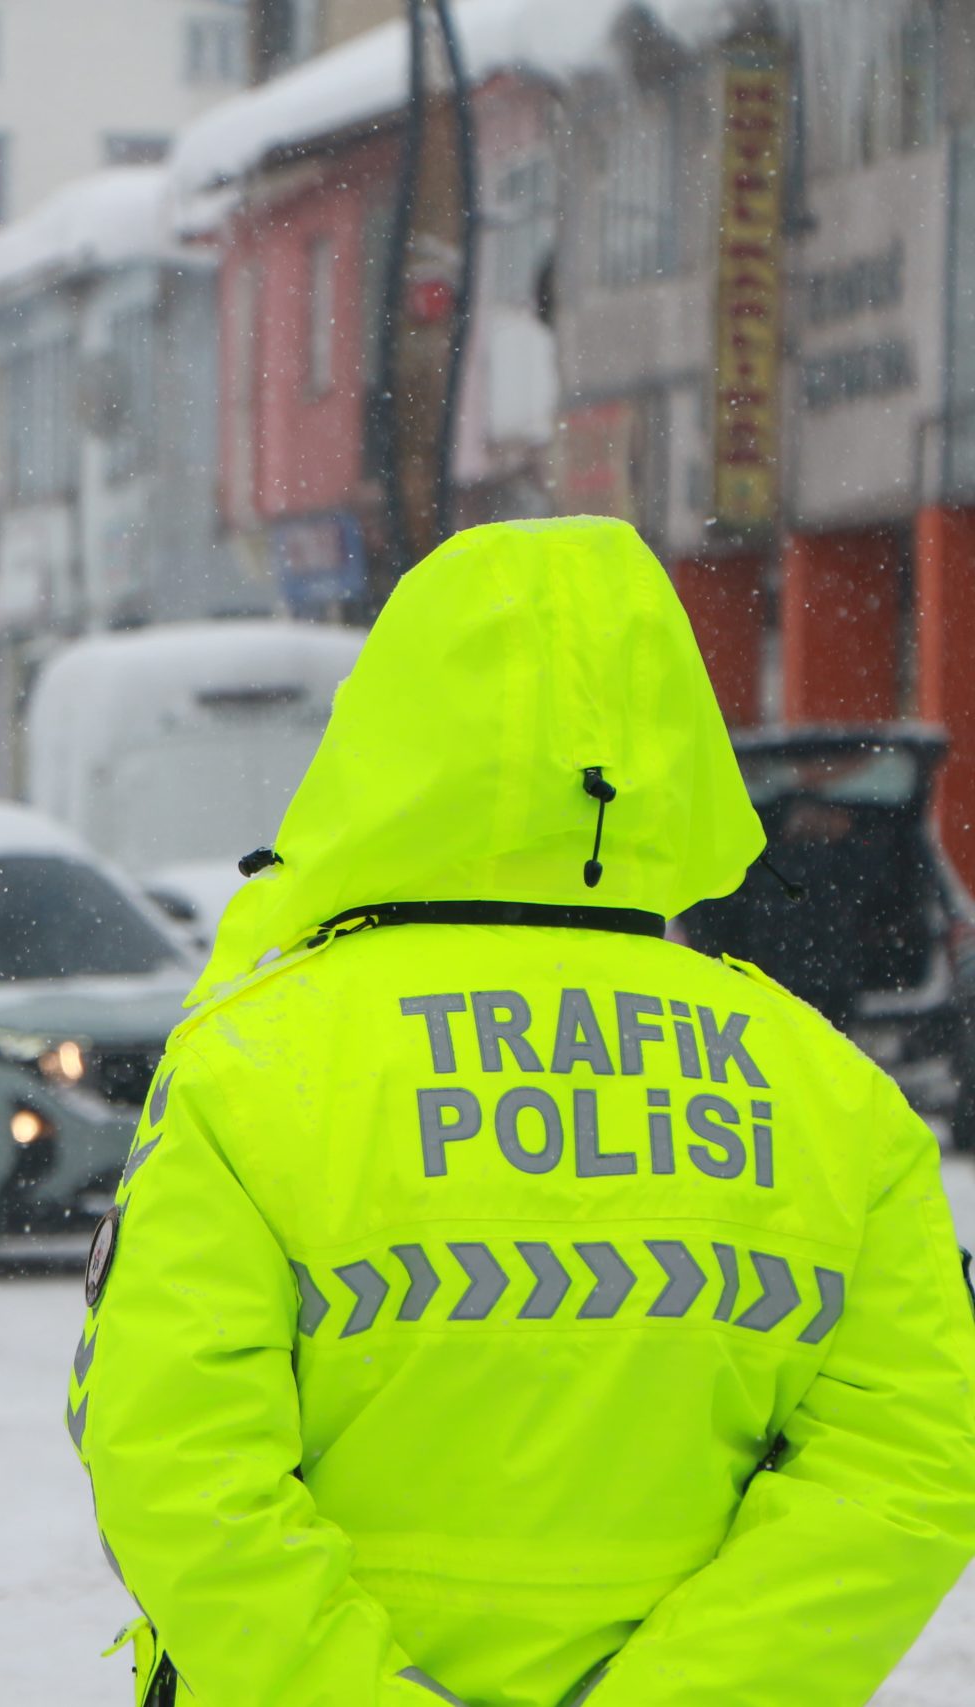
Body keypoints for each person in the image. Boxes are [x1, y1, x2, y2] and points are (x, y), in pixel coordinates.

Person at [65, 518, 975, 1707]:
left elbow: (172, 1460)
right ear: (673, 742)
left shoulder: (254, 1059)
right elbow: (912, 1460)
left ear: (389, 731)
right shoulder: (823, 1089)